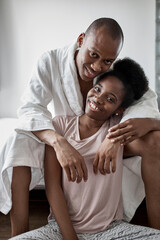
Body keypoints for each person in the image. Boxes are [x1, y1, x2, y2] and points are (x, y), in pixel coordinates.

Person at [0, 17, 160, 237]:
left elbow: (147, 101)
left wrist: (114, 139)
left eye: (106, 61)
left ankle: (154, 228)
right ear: (81, 40)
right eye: (93, 55)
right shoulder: (51, 61)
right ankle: (19, 232)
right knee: (17, 141)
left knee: (155, 141)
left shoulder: (113, 71)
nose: (97, 67)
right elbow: (30, 108)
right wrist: (58, 141)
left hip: (103, 133)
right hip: (67, 133)